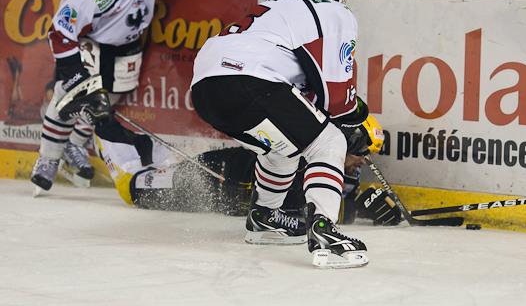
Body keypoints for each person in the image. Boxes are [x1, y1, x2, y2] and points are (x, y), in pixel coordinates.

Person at [30, 0, 262, 193]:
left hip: (126, 45)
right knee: (67, 96)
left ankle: (74, 145)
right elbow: (60, 32)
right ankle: (47, 159)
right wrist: (72, 71)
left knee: (105, 103)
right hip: (90, 44)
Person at [190, 0, 370, 268]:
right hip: (250, 81)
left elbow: (303, 94)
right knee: (329, 142)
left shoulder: (280, 5)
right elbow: (337, 100)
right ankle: (325, 231)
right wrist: (356, 121)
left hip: (205, 87)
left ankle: (265, 217)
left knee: (283, 146)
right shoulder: (336, 12)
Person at [92, 113, 402, 229]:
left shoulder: (343, 168)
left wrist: (365, 204)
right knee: (132, 188)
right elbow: (301, 205)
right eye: (361, 152)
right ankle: (100, 125)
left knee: (159, 165)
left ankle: (147, 148)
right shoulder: (310, 152)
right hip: (213, 175)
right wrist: (356, 209)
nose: (364, 161)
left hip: (228, 184)